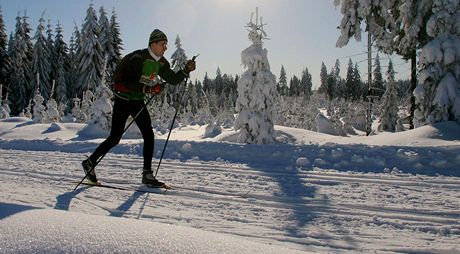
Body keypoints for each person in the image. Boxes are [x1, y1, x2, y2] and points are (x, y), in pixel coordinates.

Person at [81, 29, 196, 187]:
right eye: (163, 44)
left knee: (149, 135)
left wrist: (185, 70)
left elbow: (173, 79)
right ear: (153, 44)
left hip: (137, 102)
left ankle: (147, 175)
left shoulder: (161, 63)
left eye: (166, 44)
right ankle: (89, 162)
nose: (165, 47)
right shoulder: (138, 58)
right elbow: (128, 83)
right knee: (115, 138)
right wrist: (149, 89)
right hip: (123, 100)